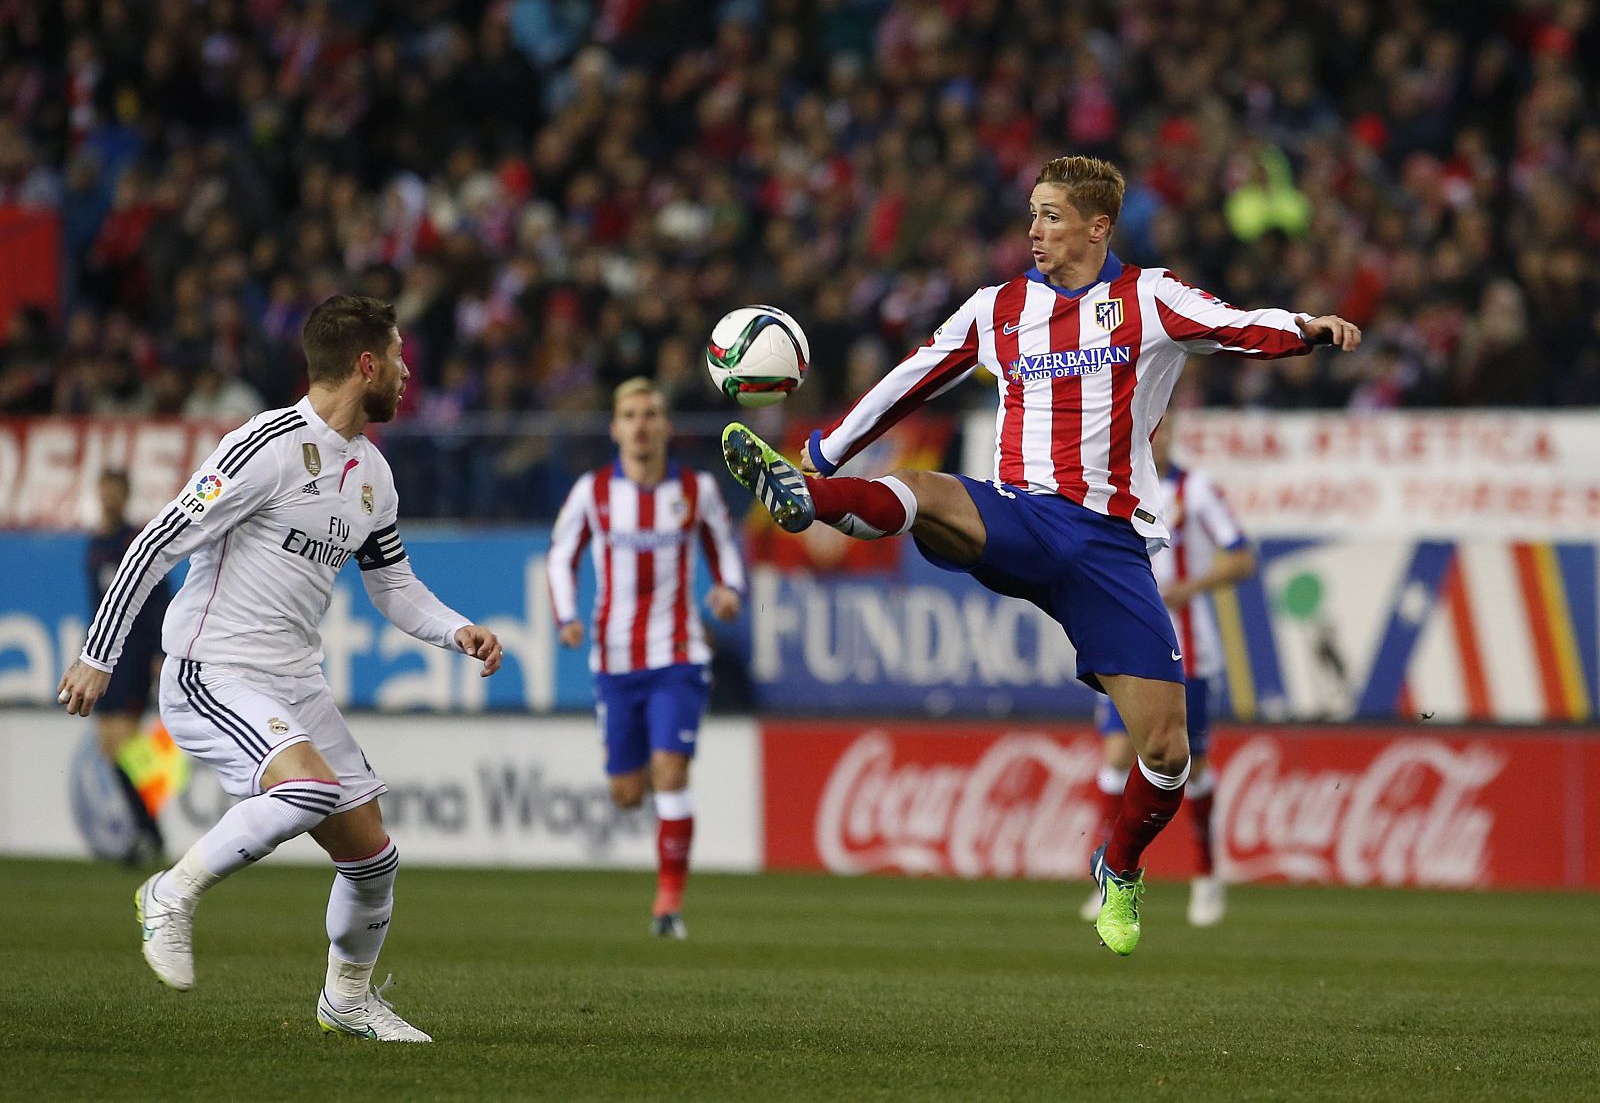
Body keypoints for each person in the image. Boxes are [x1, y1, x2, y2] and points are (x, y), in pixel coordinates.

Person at [722, 155, 1360, 956]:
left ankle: (1119, 867)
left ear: (1097, 227)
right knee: (930, 492)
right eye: (1031, 214)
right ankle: (805, 498)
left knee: (1167, 751)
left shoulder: (1150, 297)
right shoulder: (999, 309)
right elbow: (916, 376)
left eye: (1051, 216)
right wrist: (823, 447)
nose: (1033, 230)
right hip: (1021, 514)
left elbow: (1236, 324)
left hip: (1110, 547)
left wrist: (1303, 329)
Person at [57, 295, 504, 1041]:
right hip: (212, 667)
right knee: (304, 788)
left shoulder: (374, 475)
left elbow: (391, 584)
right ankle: (169, 891)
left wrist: (457, 629)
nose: (405, 375)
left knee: (374, 858)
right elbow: (155, 540)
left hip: (295, 680)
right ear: (366, 365)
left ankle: (347, 999)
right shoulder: (262, 446)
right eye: (397, 359)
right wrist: (98, 653)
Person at [547, 377, 745, 940]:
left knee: (671, 771)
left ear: (666, 426)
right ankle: (663, 827)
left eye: (651, 413)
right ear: (615, 428)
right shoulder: (594, 491)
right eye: (630, 414)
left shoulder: (696, 488)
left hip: (679, 653)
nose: (640, 424)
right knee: (628, 794)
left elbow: (725, 548)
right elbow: (560, 558)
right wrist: (566, 617)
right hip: (614, 659)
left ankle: (668, 907)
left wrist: (729, 591)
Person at [1079, 417, 1255, 929]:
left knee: (1191, 765)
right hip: (1125, 645)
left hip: (1190, 650)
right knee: (1114, 755)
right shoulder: (1107, 488)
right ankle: (1111, 875)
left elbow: (1242, 558)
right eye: (1151, 429)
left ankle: (1205, 876)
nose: (1158, 438)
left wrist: (1188, 588)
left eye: (1165, 430)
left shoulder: (1195, 490)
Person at [85, 468, 173, 866]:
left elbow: (157, 599)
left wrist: (157, 652)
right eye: (104, 492)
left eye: (115, 492)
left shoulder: (135, 542)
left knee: (123, 747)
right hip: (106, 658)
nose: (109, 499)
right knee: (111, 750)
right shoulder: (95, 546)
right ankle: (148, 830)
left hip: (134, 653)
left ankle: (149, 833)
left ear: (125, 495)